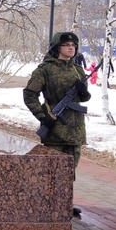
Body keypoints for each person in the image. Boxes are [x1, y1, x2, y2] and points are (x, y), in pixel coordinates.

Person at [23, 32, 90, 218]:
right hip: (56, 130)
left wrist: (83, 91)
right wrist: (42, 116)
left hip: (75, 130)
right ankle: (46, 204)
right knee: (51, 171)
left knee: (70, 172)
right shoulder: (45, 69)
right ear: (57, 48)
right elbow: (29, 94)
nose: (71, 48)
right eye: (66, 44)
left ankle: (64, 204)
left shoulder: (78, 69)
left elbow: (83, 97)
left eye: (73, 45)